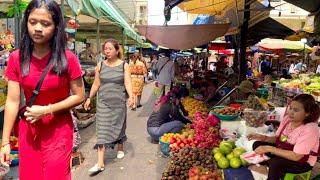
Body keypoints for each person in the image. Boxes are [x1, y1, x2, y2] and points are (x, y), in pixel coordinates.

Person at [0, 1, 85, 179]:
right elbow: (13, 101)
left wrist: (46, 110)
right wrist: (5, 141)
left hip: (59, 130)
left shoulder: (68, 59)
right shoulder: (17, 57)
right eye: (33, 22)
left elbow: (79, 96)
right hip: (29, 131)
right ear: (26, 22)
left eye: (45, 24)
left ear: (56, 27)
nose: (38, 28)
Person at [83, 39, 134, 175]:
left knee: (119, 125)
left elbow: (128, 83)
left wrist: (132, 96)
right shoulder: (100, 65)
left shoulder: (124, 65)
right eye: (105, 49)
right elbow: (96, 84)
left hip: (118, 103)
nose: (107, 51)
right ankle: (100, 163)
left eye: (110, 49)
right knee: (102, 130)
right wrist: (89, 98)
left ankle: (120, 147)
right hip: (103, 104)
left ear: (117, 50)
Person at [247, 94, 320, 180]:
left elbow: (297, 156)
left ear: (307, 113)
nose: (291, 112)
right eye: (290, 108)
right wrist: (262, 137)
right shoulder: (287, 120)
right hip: (284, 152)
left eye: (296, 110)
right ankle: (269, 169)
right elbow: (278, 139)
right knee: (257, 144)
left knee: (276, 163)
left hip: (301, 162)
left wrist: (269, 148)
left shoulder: (310, 129)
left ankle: (272, 171)